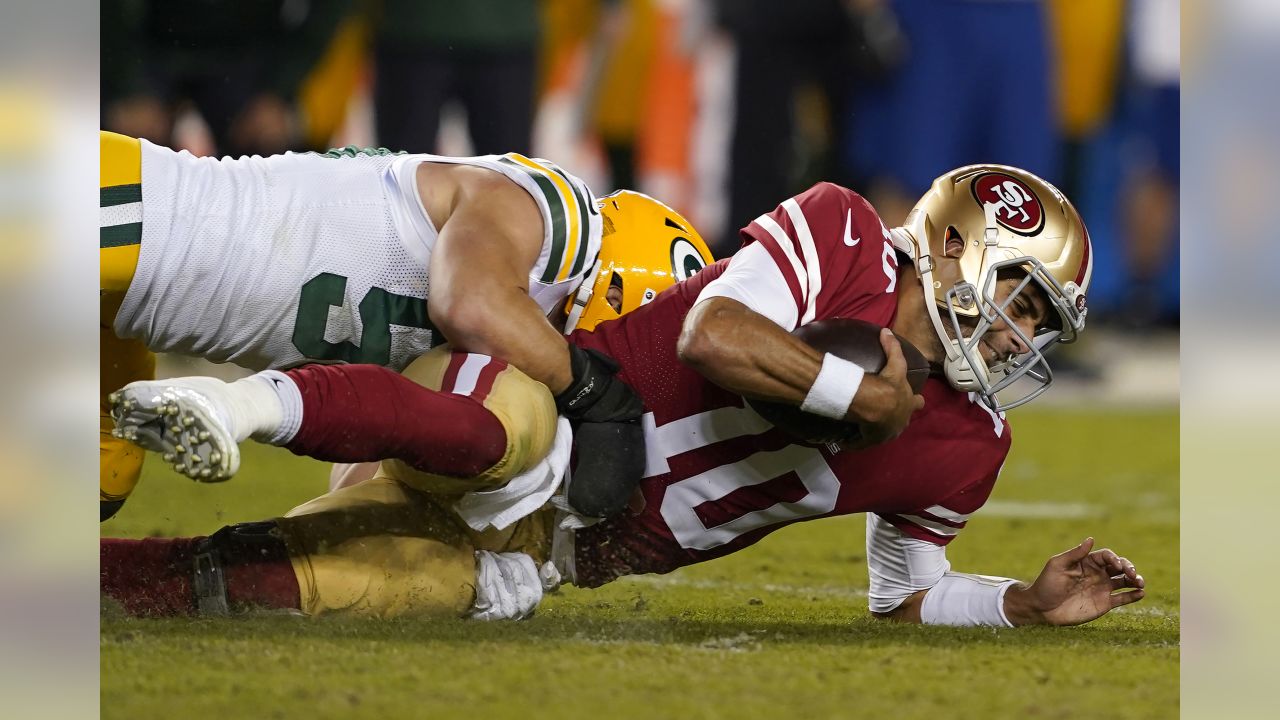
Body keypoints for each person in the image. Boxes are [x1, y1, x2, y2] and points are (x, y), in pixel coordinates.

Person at [103, 165, 1143, 627]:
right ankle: (236, 408)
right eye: (1019, 300)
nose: (1021, 336)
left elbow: (903, 592)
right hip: (548, 409)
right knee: (494, 431)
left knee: (365, 589)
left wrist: (1018, 604)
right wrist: (849, 392)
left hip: (538, 553)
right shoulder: (839, 238)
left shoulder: (971, 445)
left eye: (1042, 325)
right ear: (957, 249)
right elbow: (715, 335)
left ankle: (91, 585)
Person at [99, 130, 645, 521]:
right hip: (134, 210)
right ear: (617, 290)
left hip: (124, 313)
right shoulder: (557, 213)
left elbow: (364, 471)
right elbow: (470, 305)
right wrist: (591, 391)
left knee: (102, 484)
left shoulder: (495, 345)